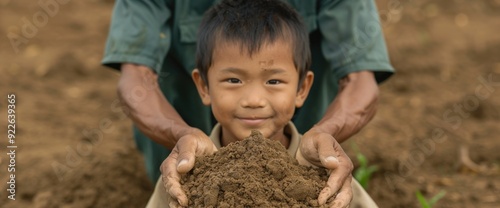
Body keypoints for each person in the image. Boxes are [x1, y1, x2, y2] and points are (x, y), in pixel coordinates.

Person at [102, 0, 393, 207]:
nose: (254, 100)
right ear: (202, 85)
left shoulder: (323, 177)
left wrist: (324, 137)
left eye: (274, 81)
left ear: (303, 87)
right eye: (234, 81)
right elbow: (135, 77)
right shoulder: (185, 180)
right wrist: (181, 136)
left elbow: (360, 79)